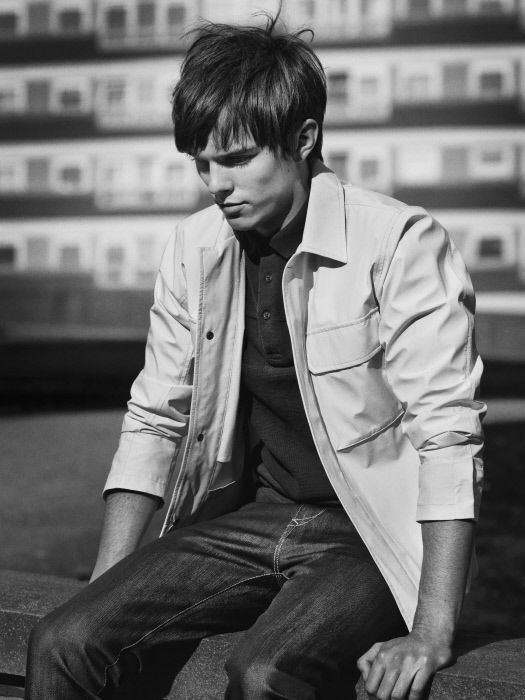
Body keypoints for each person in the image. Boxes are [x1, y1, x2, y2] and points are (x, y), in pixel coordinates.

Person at [26, 14, 485, 700]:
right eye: (202, 162)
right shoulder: (195, 248)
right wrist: (104, 590)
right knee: (65, 639)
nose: (216, 182)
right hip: (248, 523)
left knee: (267, 673)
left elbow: (447, 434)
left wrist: (432, 629)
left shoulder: (400, 244)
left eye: (237, 159)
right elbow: (154, 418)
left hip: (370, 536)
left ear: (304, 139)